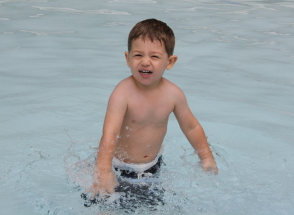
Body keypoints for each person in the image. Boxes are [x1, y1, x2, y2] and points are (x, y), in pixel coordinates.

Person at [86, 18, 218, 206]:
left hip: (152, 168)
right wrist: (103, 169)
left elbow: (191, 127)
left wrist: (206, 157)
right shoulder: (122, 93)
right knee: (105, 206)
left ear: (170, 62)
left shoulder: (173, 94)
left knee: (153, 207)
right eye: (138, 55)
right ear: (128, 58)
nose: (145, 62)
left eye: (155, 57)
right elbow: (110, 133)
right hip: (117, 167)